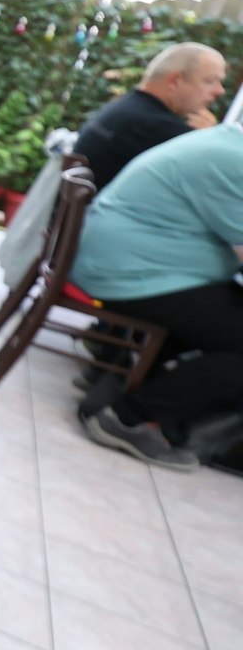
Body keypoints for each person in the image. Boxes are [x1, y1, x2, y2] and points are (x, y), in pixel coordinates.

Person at [70, 123, 243, 469]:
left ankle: (119, 381)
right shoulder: (234, 160)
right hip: (133, 273)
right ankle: (127, 418)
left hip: (136, 264)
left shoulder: (228, 142)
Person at [71, 42, 227, 188]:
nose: (220, 91)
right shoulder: (154, 126)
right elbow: (219, 180)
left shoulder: (128, 108)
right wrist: (210, 139)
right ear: (175, 80)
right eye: (210, 81)